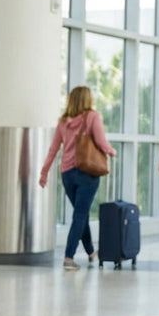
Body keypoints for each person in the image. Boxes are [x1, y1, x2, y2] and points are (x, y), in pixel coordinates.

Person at [40, 86, 117, 271]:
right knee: (80, 214)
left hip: (67, 173)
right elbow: (100, 141)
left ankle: (91, 252)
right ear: (87, 100)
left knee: (80, 213)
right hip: (87, 172)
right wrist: (111, 151)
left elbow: (53, 148)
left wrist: (44, 172)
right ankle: (68, 258)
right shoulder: (92, 117)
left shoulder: (63, 121)